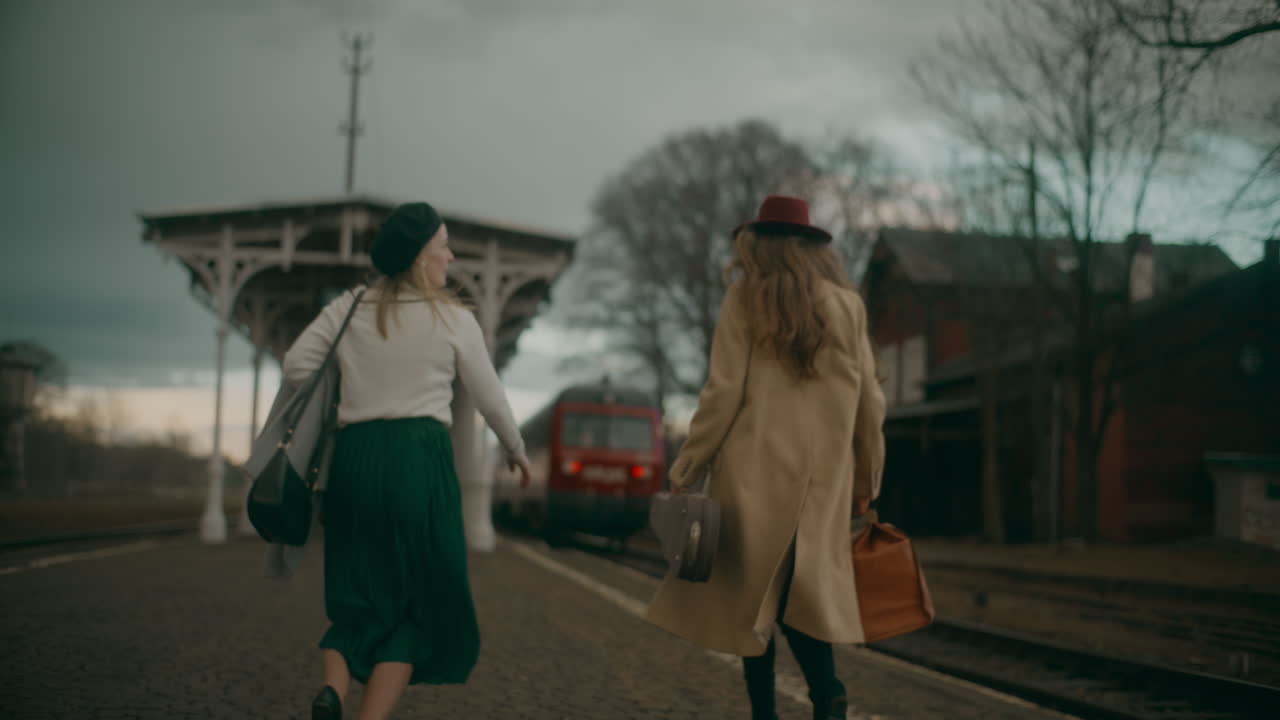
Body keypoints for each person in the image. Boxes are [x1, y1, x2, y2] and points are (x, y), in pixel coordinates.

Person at [281, 202, 533, 720]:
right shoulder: (452, 317)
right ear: (421, 256)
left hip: (356, 460)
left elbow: (296, 364)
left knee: (355, 594)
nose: (451, 255)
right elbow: (489, 396)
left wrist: (349, 393)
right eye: (443, 245)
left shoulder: (350, 307)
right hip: (419, 462)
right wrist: (514, 448)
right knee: (416, 605)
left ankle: (333, 690)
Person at [644, 195, 886, 720]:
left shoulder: (745, 299)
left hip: (751, 477)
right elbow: (870, 401)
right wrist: (867, 478)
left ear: (758, 243)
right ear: (810, 247)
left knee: (750, 603)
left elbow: (723, 393)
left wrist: (689, 464)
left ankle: (765, 714)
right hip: (822, 483)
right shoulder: (848, 305)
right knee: (802, 596)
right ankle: (827, 693)